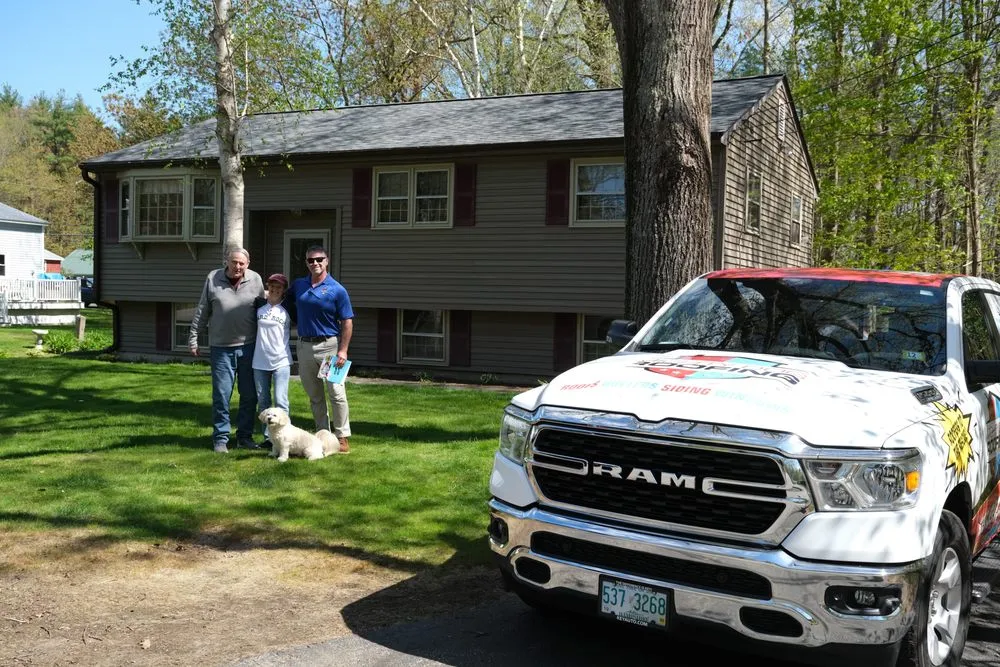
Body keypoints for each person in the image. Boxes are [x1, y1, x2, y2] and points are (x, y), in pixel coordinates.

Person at [189, 248, 265, 453]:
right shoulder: (213, 278)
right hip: (221, 348)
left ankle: (244, 437)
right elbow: (203, 309)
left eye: (242, 263)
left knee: (249, 395)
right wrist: (194, 337)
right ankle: (221, 438)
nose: (238, 267)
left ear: (248, 264)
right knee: (222, 395)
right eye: (234, 262)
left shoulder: (256, 280)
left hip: (249, 346)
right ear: (227, 262)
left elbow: (263, 311)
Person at [287, 245, 353, 452]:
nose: (315, 263)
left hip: (329, 347)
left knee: (336, 392)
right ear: (306, 263)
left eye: (319, 259)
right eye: (310, 260)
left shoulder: (337, 290)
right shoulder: (299, 285)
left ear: (327, 261)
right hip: (305, 346)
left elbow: (347, 321)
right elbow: (284, 301)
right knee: (315, 395)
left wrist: (343, 350)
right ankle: (322, 435)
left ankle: (342, 436)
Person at [252, 273, 293, 448]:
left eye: (279, 287)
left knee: (281, 400)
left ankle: (285, 438)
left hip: (281, 360)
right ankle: (269, 439)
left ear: (284, 290)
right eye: (272, 286)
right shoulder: (259, 307)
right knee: (263, 401)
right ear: (268, 287)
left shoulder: (289, 309)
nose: (275, 290)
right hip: (259, 360)